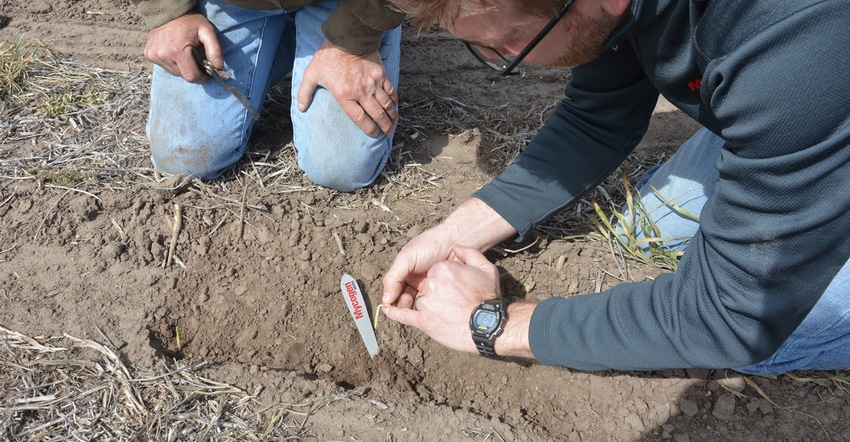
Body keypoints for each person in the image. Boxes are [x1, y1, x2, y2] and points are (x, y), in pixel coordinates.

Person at [380, 0, 850, 375]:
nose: (501, 59)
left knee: (765, 341)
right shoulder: (602, 12)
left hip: (807, 90)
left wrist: (493, 324)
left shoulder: (793, 43)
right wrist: (455, 233)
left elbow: (728, 318)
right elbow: (597, 115)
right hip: (796, 108)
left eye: (508, 43)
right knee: (646, 230)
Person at [132, 0, 404, 191]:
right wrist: (168, 13)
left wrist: (356, 37)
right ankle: (287, 38)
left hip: (345, 6)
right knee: (183, 159)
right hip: (235, 3)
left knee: (340, 167)